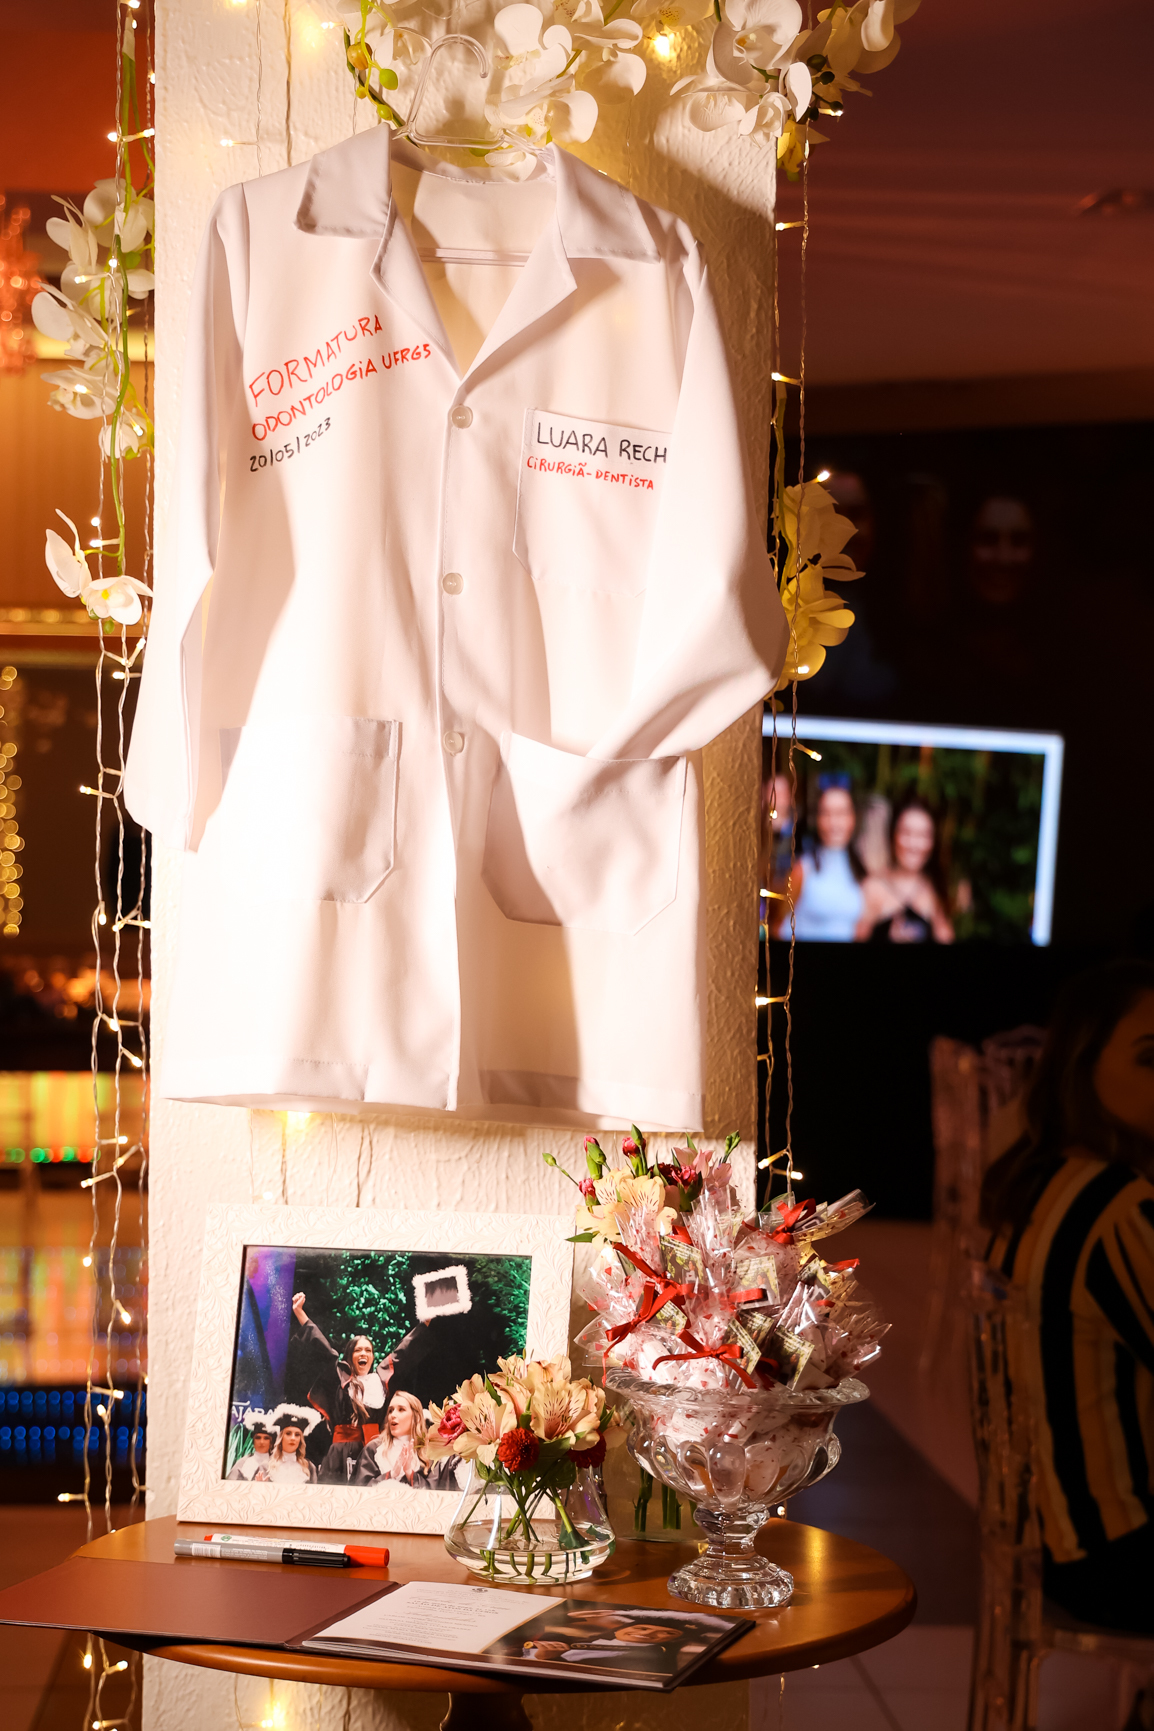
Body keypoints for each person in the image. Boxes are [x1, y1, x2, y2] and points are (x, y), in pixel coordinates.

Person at [981, 960, 1154, 1638]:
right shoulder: (1118, 1208)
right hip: (1117, 1551)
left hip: (1051, 1537)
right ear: (1082, 1067)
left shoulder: (1040, 1181)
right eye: (1148, 1059)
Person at [289, 1292, 430, 1482]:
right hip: (341, 1453)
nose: (364, 1353)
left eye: (368, 1350)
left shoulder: (380, 1380)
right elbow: (322, 1348)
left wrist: (426, 1322)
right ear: (350, 1355)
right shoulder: (340, 1379)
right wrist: (299, 1312)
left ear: (372, 1357)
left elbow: (404, 1352)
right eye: (358, 1350)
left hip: (374, 1450)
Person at [857, 794, 954, 943]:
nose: (914, 844)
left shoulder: (934, 888)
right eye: (906, 833)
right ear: (893, 836)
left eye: (923, 835)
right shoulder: (872, 888)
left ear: (933, 842)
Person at [789, 780, 865, 943]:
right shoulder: (803, 869)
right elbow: (780, 927)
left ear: (853, 818)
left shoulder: (860, 871)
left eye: (841, 813)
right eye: (826, 813)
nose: (833, 823)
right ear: (817, 820)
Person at [351, 1390, 437, 1487]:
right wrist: (391, 1474)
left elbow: (436, 1492)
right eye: (390, 1411)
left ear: (416, 1417)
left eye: (401, 1409)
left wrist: (410, 1474)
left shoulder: (430, 1453)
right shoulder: (374, 1449)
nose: (393, 1415)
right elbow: (359, 1490)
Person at [253, 1405, 320, 1485]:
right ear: (281, 1438)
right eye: (288, 1433)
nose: (293, 1438)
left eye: (297, 1435)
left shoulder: (309, 1467)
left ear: (300, 1439)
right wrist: (259, 1486)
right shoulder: (265, 1466)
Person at [225, 1409, 274, 1480]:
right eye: (258, 1438)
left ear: (271, 1442)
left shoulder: (276, 1464)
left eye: (266, 1438)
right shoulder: (243, 1463)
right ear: (253, 1441)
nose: (262, 1442)